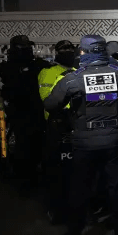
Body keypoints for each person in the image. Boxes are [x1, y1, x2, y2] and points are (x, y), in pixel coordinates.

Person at [44, 35, 118, 235]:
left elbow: (51, 104)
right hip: (114, 138)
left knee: (80, 187)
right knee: (116, 185)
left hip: (84, 141)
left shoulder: (72, 79)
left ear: (82, 52)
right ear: (103, 51)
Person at [0, 35, 51, 191]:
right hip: (20, 114)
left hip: (35, 113)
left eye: (28, 47)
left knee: (36, 146)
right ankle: (26, 181)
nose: (27, 50)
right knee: (23, 148)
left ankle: (32, 179)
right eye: (23, 47)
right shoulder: (6, 68)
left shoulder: (38, 65)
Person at [38, 40, 77, 223]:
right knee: (56, 170)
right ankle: (56, 209)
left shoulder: (79, 70)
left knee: (78, 170)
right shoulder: (48, 72)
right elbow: (47, 99)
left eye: (71, 49)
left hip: (77, 124)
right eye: (64, 50)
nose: (68, 52)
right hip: (57, 124)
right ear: (57, 53)